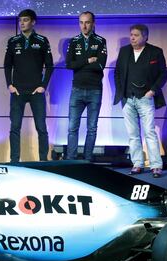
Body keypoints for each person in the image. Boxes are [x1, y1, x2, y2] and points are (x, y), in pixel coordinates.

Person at [114, 24, 167, 178]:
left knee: (149, 132)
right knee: (133, 134)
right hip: (127, 99)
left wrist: (152, 91)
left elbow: (163, 75)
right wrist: (121, 92)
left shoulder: (155, 52)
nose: (132, 38)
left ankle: (156, 165)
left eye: (136, 35)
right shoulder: (124, 51)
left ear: (145, 37)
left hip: (145, 98)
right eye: (131, 34)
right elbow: (117, 73)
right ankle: (137, 163)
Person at [4, 9, 54, 163]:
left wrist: (43, 86)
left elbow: (50, 65)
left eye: (25, 20)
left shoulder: (42, 40)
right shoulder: (13, 41)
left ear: (33, 22)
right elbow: (7, 65)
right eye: (20, 20)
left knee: (41, 129)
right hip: (17, 92)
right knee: (15, 128)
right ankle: (14, 161)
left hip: (36, 92)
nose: (22, 23)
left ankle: (44, 161)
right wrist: (9, 85)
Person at [65, 11, 107, 161]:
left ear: (93, 23)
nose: (84, 26)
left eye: (87, 22)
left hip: (95, 90)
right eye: (81, 22)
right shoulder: (74, 41)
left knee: (92, 128)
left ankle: (87, 160)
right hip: (77, 89)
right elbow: (69, 65)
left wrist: (81, 63)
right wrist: (89, 60)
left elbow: (100, 65)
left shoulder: (101, 41)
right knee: (72, 128)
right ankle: (71, 160)